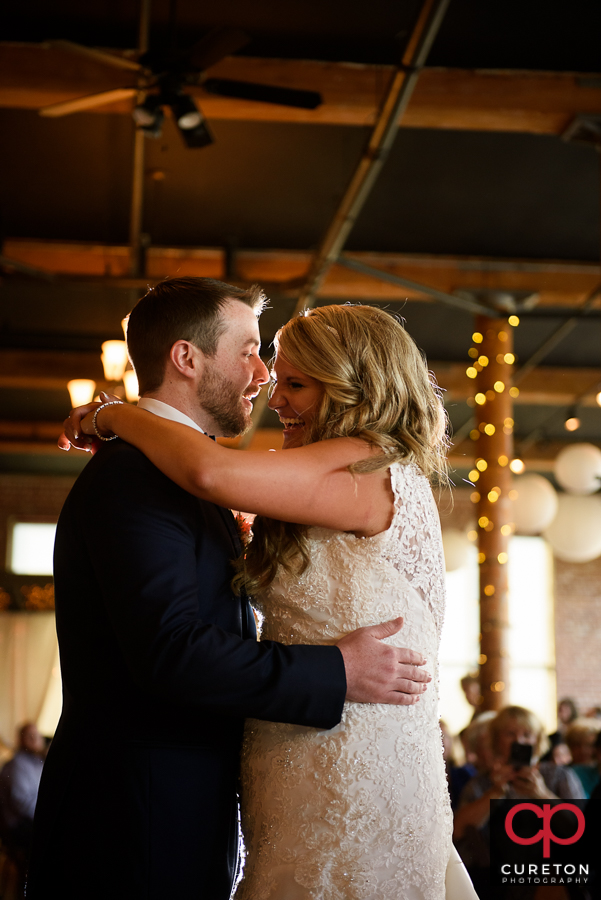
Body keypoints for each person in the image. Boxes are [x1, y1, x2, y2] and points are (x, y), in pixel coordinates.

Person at [31, 278, 433, 900]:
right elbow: (172, 650)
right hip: (140, 813)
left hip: (307, 782)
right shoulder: (137, 474)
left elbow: (210, 474)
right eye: (250, 350)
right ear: (187, 359)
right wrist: (335, 671)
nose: (265, 379)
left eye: (290, 378)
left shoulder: (343, 472)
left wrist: (114, 413)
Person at [454, 705, 584, 897]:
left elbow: (580, 825)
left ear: (538, 740)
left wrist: (542, 794)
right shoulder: (482, 782)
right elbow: (458, 831)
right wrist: (496, 791)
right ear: (496, 741)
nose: (519, 741)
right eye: (510, 734)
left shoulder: (559, 775)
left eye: (527, 734)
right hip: (497, 881)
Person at [0, 723, 46, 898]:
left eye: (37, 735)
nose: (35, 740)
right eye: (29, 736)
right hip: (18, 828)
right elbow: (23, 804)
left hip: (31, 821)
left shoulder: (37, 763)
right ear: (20, 740)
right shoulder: (17, 765)